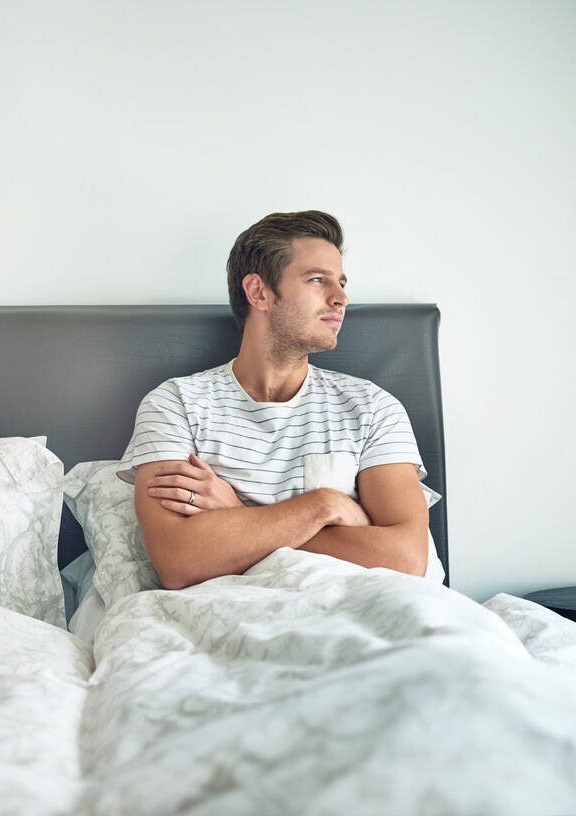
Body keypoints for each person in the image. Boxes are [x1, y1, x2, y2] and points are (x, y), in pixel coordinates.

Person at [118, 210, 441, 590]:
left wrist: (240, 515)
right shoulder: (176, 404)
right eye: (318, 280)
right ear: (258, 292)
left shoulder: (372, 408)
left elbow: (405, 559)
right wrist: (326, 506)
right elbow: (179, 563)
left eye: (340, 282)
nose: (341, 298)